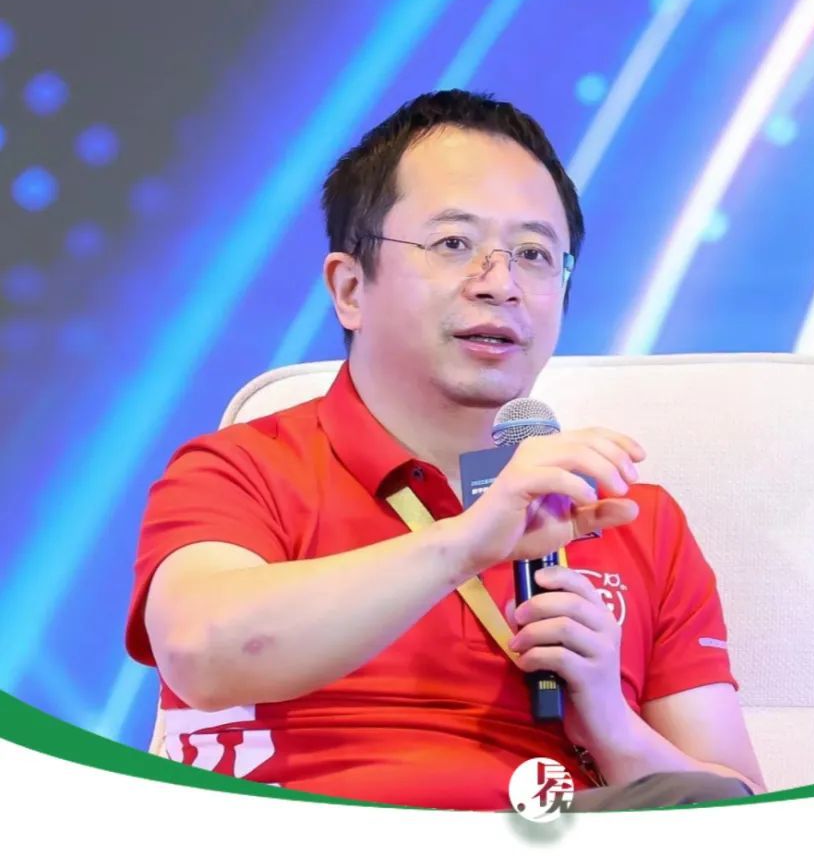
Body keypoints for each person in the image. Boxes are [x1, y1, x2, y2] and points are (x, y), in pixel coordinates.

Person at [125, 89, 765, 812]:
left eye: (534, 255)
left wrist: (609, 723)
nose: (501, 285)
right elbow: (202, 651)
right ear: (349, 288)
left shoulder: (630, 519)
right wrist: (466, 543)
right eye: (454, 244)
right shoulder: (243, 471)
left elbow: (740, 806)